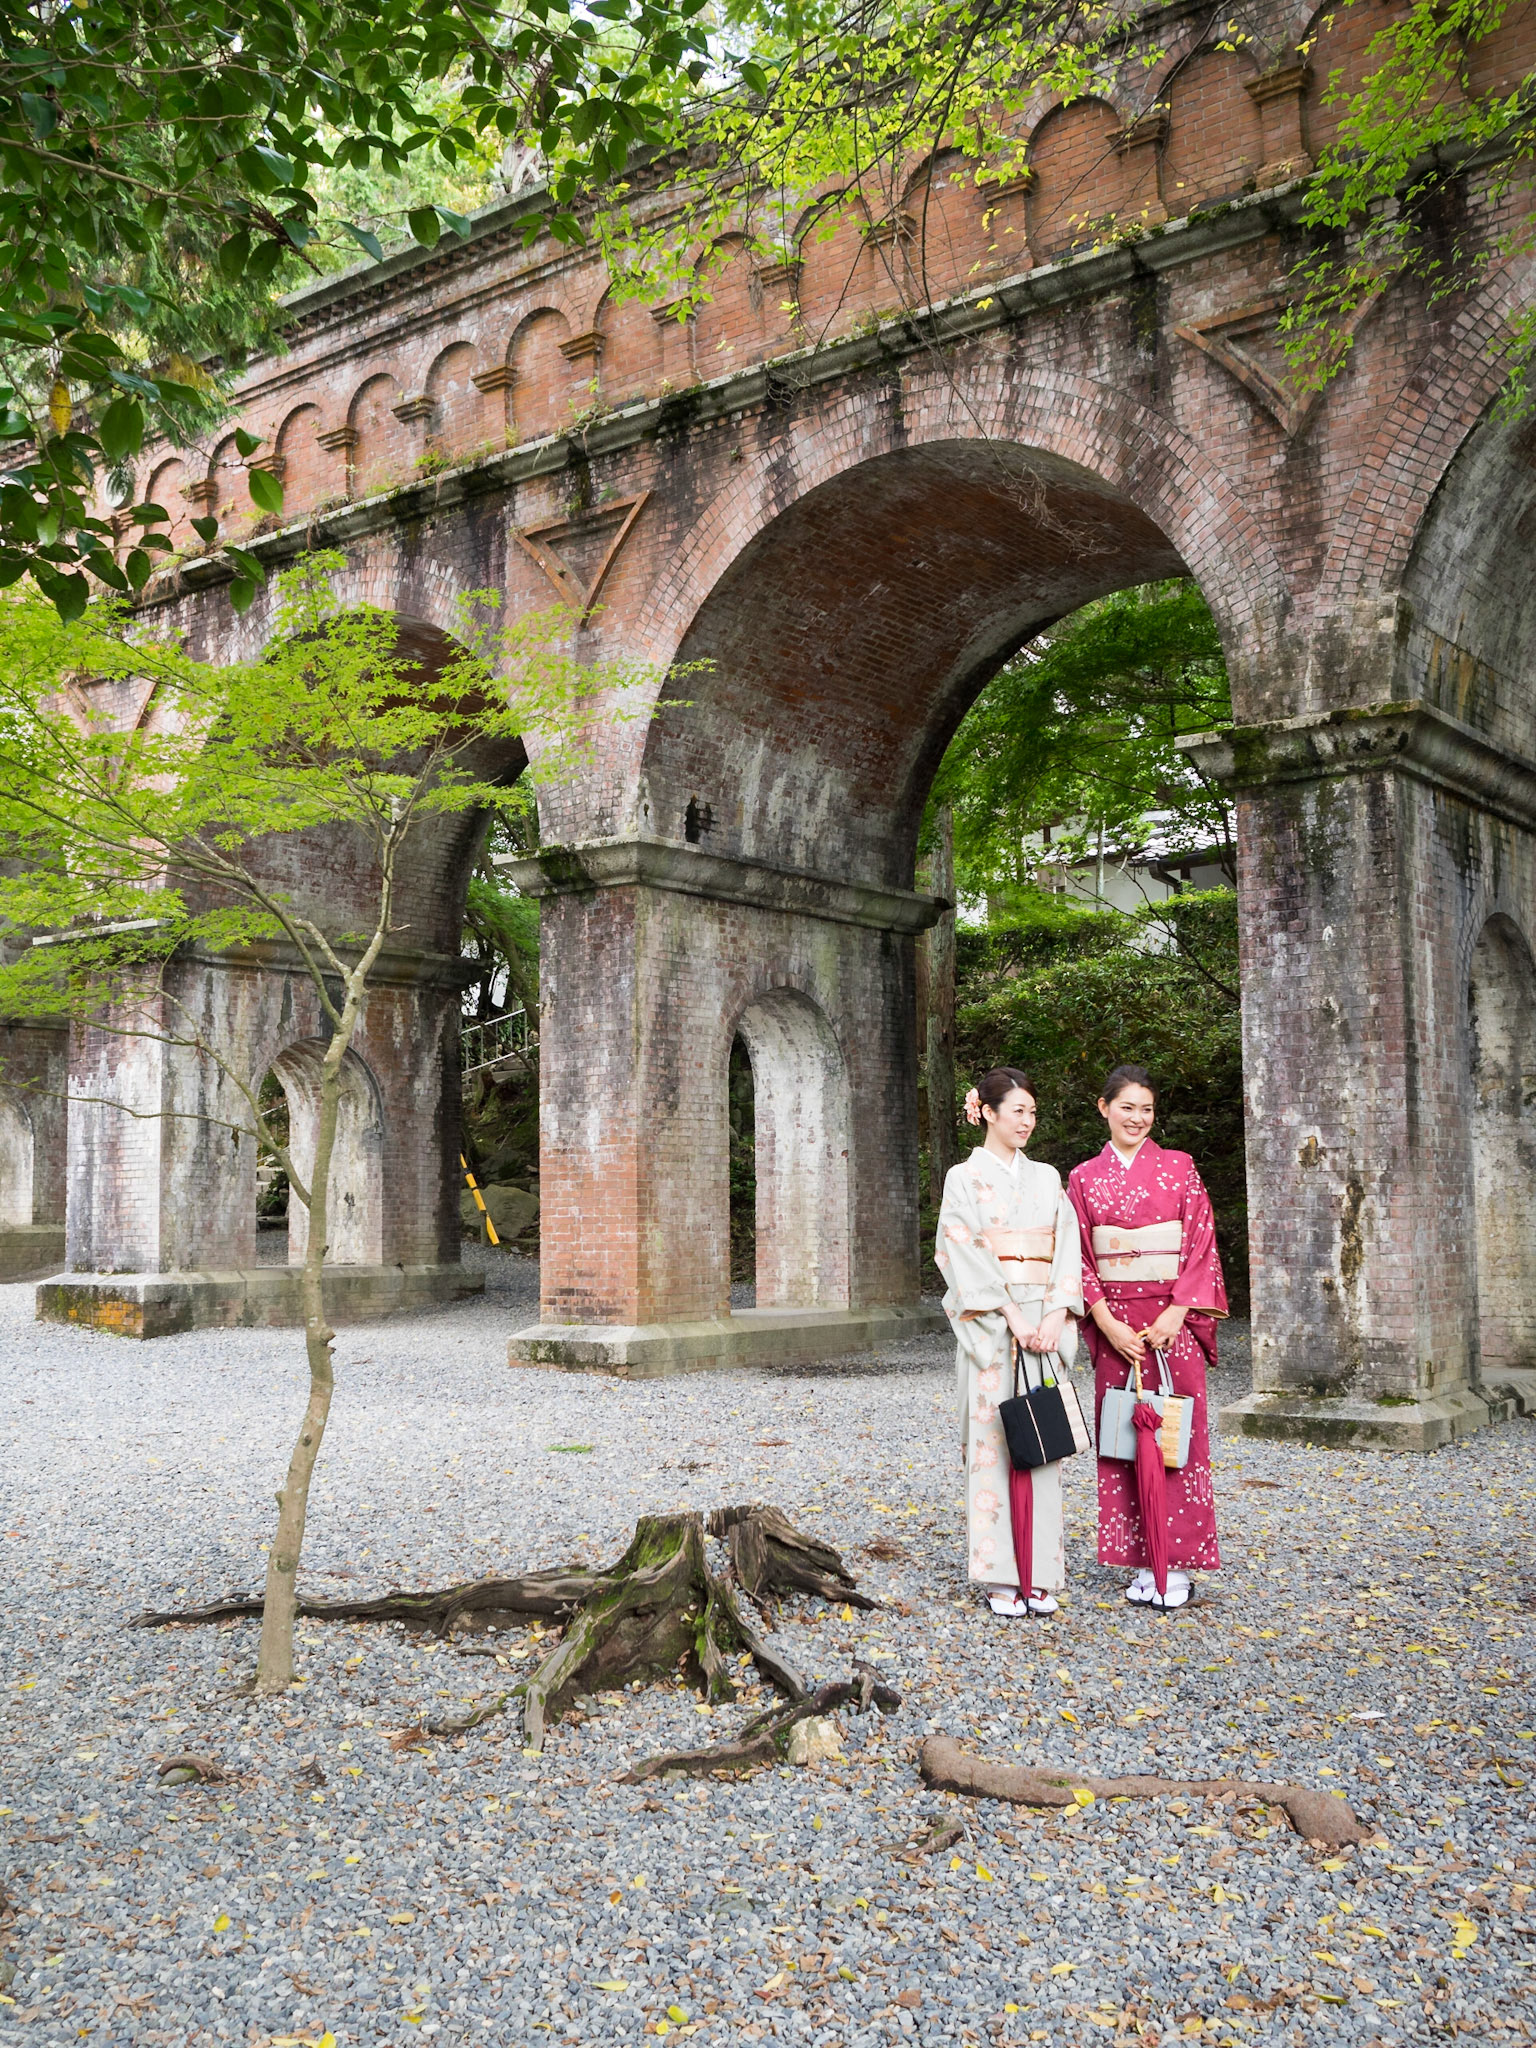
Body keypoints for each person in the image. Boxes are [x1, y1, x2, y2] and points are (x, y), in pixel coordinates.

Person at [1067, 1063, 1226, 1613]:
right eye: (1127, 1106)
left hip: (1170, 1325)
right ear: (1104, 1107)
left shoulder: (1180, 1168)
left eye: (1147, 1109)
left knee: (1178, 1439)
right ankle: (1139, 1560)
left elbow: (1201, 1244)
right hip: (1118, 1326)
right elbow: (1078, 1257)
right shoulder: (1084, 1178)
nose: (1137, 1117)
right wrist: (1106, 1322)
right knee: (1125, 1440)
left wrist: (1178, 1312)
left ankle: (1176, 1563)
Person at [936, 1067, 1083, 1618]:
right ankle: (1000, 1574)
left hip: (1043, 1327)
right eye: (1018, 1111)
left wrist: (1056, 1313)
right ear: (988, 1113)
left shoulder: (1047, 1177)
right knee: (993, 1447)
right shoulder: (962, 1178)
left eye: (1032, 1112)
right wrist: (1011, 1315)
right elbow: (959, 1251)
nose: (1027, 1121)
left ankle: (1040, 1572)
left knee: (1043, 1441)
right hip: (994, 1326)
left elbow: (1067, 1248)